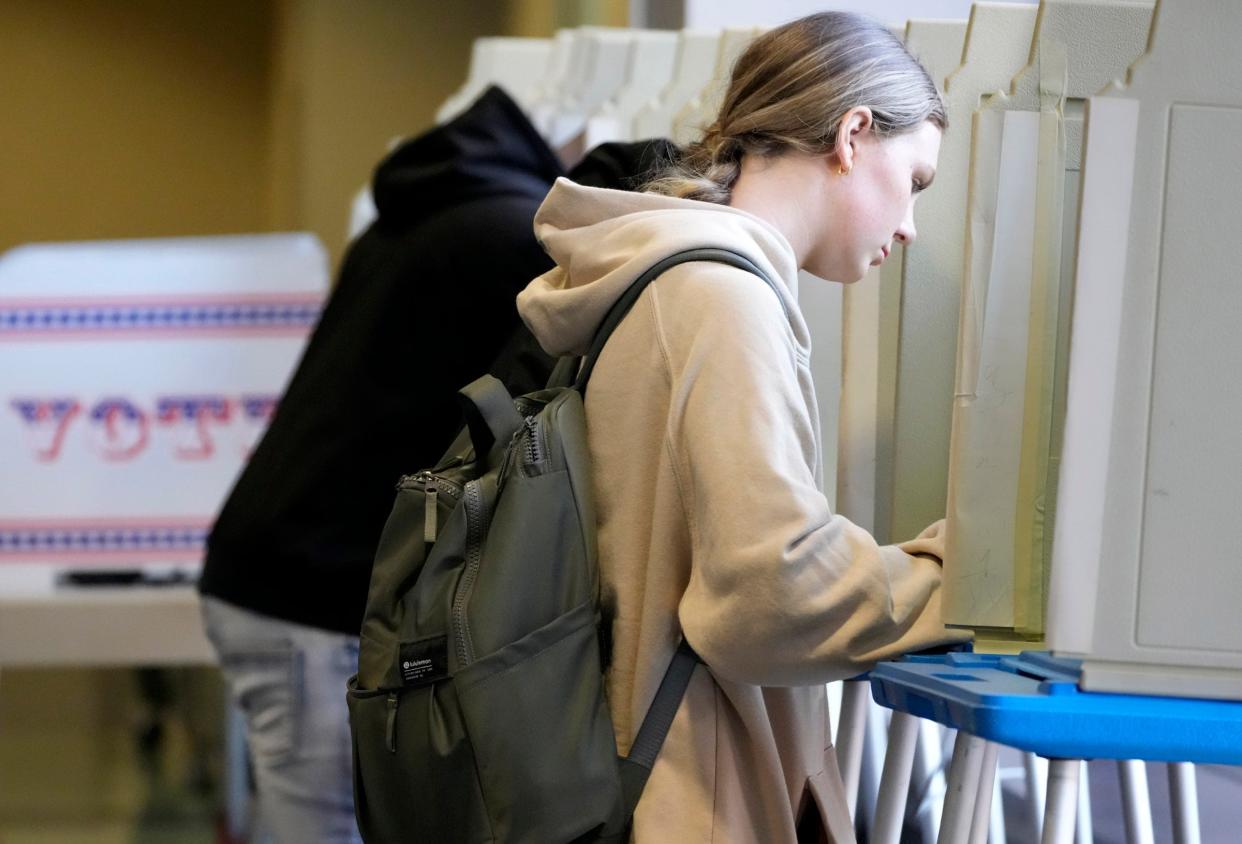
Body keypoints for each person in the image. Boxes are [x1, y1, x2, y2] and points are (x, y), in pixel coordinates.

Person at [516, 12, 970, 843]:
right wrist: (964, 579)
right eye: (915, 181)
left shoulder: (670, 275)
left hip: (634, 768)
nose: (909, 226)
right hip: (688, 794)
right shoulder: (722, 301)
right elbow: (768, 595)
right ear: (853, 134)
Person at [198, 83, 673, 844]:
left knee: (306, 815)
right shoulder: (508, 242)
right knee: (319, 826)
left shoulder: (438, 208)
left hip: (275, 566)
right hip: (307, 593)